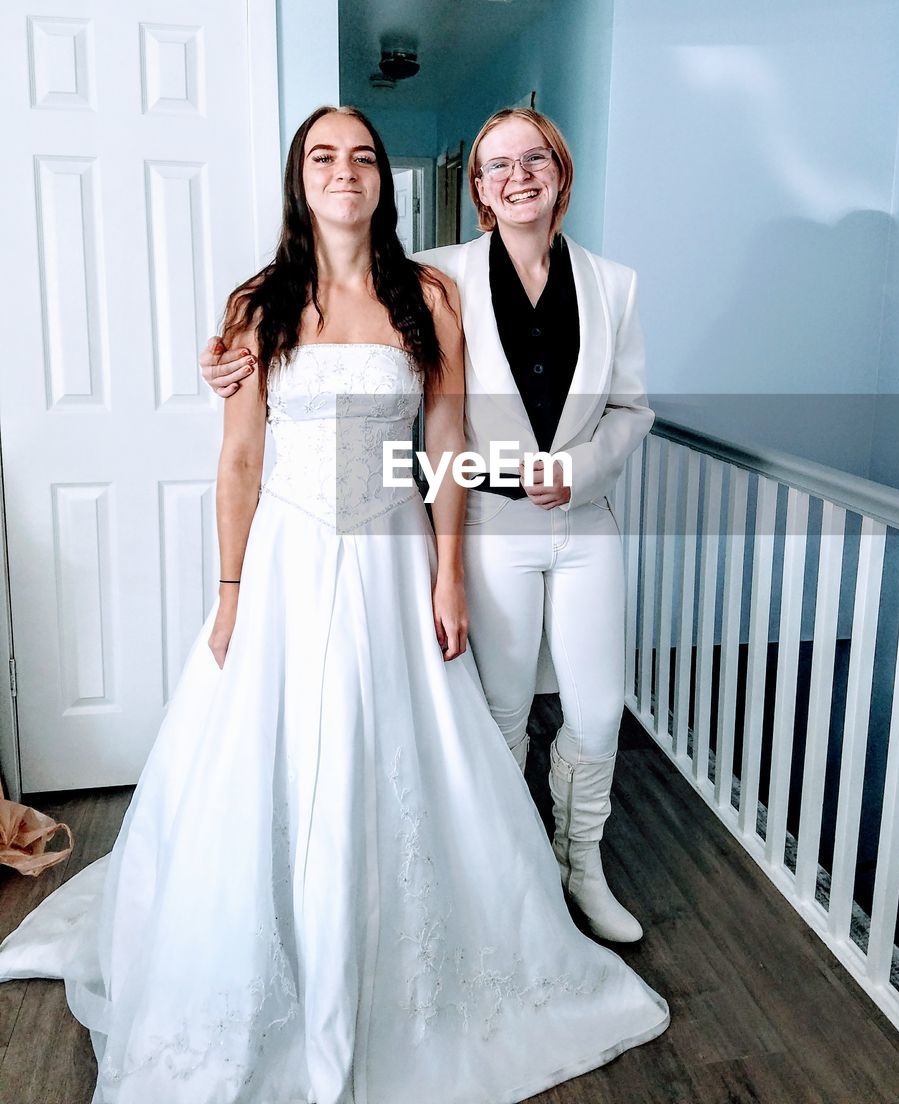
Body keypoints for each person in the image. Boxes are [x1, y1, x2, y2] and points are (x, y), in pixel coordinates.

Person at [0, 106, 668, 1104]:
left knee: (417, 750)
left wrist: (448, 572)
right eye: (324, 154)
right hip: (285, 565)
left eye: (363, 155)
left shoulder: (427, 293)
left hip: (397, 559)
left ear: (383, 181)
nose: (346, 169)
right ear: (299, 178)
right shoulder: (256, 303)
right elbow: (235, 462)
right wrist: (228, 594)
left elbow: (444, 447)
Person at [204, 108, 654, 947]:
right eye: (496, 166)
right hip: (390, 535)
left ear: (561, 169)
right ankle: (496, 869)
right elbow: (240, 455)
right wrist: (230, 589)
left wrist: (568, 479)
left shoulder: (587, 284)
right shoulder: (399, 282)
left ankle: (569, 865)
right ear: (476, 190)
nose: (517, 176)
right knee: (489, 711)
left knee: (583, 714)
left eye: (534, 159)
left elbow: (614, 410)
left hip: (532, 526)